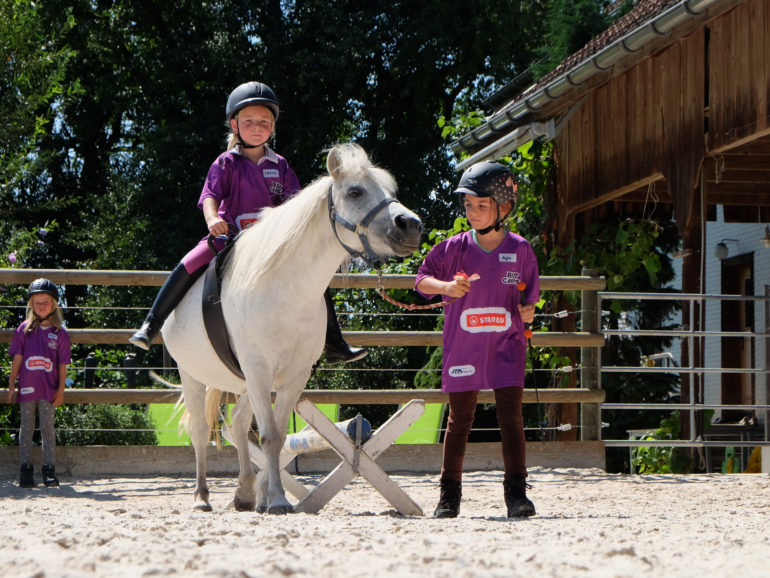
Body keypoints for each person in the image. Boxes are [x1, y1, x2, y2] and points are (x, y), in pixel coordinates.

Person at [129, 81, 366, 363]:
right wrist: (212, 218)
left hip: (273, 243)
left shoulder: (280, 166)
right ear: (234, 125)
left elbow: (296, 206)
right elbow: (210, 196)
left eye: (264, 122)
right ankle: (151, 324)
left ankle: (334, 342)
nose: (257, 127)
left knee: (314, 279)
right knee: (190, 262)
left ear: (273, 127)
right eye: (249, 121)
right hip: (229, 235)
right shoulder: (226, 162)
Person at [415, 160, 539, 518]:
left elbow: (530, 296)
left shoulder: (521, 250)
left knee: (511, 419)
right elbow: (421, 280)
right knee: (459, 422)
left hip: (507, 348)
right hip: (464, 349)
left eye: (481, 205)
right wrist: (446, 287)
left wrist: (530, 310)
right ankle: (448, 496)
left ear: (504, 207)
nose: (473, 212)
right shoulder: (453, 248)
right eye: (468, 205)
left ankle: (517, 494)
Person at [8, 278, 71, 488]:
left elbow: (62, 364)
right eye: (37, 302)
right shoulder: (24, 330)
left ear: (54, 304)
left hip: (49, 390)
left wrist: (61, 390)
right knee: (26, 428)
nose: (41, 306)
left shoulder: (59, 334)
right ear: (31, 305)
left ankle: (48, 469)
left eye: (46, 301)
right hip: (26, 389)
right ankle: (25, 468)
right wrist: (11, 382)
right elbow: (17, 356)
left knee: (47, 428)